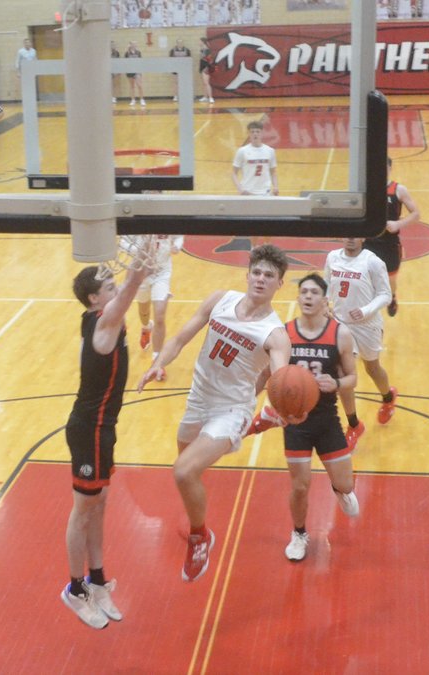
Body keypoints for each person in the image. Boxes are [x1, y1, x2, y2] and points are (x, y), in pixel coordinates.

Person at [138, 244, 298, 582]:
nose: (261, 279)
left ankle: (200, 538)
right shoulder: (220, 300)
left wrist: (285, 402)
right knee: (187, 469)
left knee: (183, 472)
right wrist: (158, 364)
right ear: (247, 275)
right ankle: (257, 425)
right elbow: (180, 338)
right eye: (257, 272)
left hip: (232, 409)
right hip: (198, 400)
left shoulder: (275, 335)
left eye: (269, 275)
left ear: (279, 284)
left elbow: (279, 377)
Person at [61, 256, 150, 630]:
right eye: (109, 288)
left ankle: (97, 581)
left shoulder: (106, 320)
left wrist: (144, 259)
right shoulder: (102, 323)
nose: (116, 290)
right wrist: (138, 270)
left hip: (103, 431)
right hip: (88, 430)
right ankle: (74, 589)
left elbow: (125, 294)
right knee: (83, 510)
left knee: (100, 505)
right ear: (95, 299)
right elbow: (127, 294)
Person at [247, 273, 359, 562]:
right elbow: (266, 374)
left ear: (324, 300)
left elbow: (353, 378)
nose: (308, 296)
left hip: (327, 419)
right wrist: (247, 402)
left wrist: (336, 383)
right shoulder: (283, 335)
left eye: (314, 292)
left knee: (347, 485)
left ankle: (339, 488)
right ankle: (299, 533)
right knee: (299, 486)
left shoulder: (340, 334)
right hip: (294, 421)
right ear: (298, 298)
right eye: (304, 292)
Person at [324, 238, 396, 450]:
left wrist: (365, 310)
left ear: (363, 237)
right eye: (347, 234)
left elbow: (385, 295)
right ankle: (354, 424)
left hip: (367, 326)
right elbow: (326, 287)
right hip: (341, 324)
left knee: (372, 368)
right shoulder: (332, 257)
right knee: (343, 373)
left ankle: (388, 397)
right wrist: (324, 305)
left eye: (355, 234)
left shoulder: (372, 262)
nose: (350, 238)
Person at [363, 157, 420, 317]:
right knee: (365, 277)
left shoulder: (398, 190)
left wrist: (398, 224)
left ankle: (392, 297)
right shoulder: (367, 188)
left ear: (389, 168)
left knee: (391, 279)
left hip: (389, 243)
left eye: (384, 167)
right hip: (369, 241)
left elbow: (416, 214)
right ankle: (368, 305)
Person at [137, 234, 185, 381]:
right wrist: (137, 249)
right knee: (143, 310)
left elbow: (179, 235)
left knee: (159, 316)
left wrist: (177, 246)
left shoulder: (167, 221)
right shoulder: (136, 223)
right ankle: (146, 327)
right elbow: (125, 241)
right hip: (141, 271)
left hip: (162, 272)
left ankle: (157, 361)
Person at [232, 120, 279, 196]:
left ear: (262, 133)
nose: (255, 134)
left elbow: (273, 172)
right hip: (247, 192)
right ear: (248, 134)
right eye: (252, 132)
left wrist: (276, 187)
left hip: (265, 192)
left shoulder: (270, 151)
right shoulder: (242, 151)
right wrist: (240, 189)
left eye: (257, 131)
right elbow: (234, 173)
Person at [125, 41, 145, 107]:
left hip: (137, 71)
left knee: (139, 85)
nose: (134, 45)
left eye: (135, 44)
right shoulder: (127, 53)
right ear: (130, 45)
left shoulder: (138, 52)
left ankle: (142, 99)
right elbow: (125, 62)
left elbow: (141, 61)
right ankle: (133, 100)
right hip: (130, 71)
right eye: (132, 44)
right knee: (132, 86)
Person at [198, 37, 215, 104]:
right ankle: (205, 97)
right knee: (204, 83)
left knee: (206, 83)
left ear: (203, 42)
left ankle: (211, 97)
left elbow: (210, 61)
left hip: (206, 68)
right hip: (202, 67)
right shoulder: (202, 50)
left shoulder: (207, 50)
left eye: (199, 41)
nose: (199, 42)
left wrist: (207, 68)